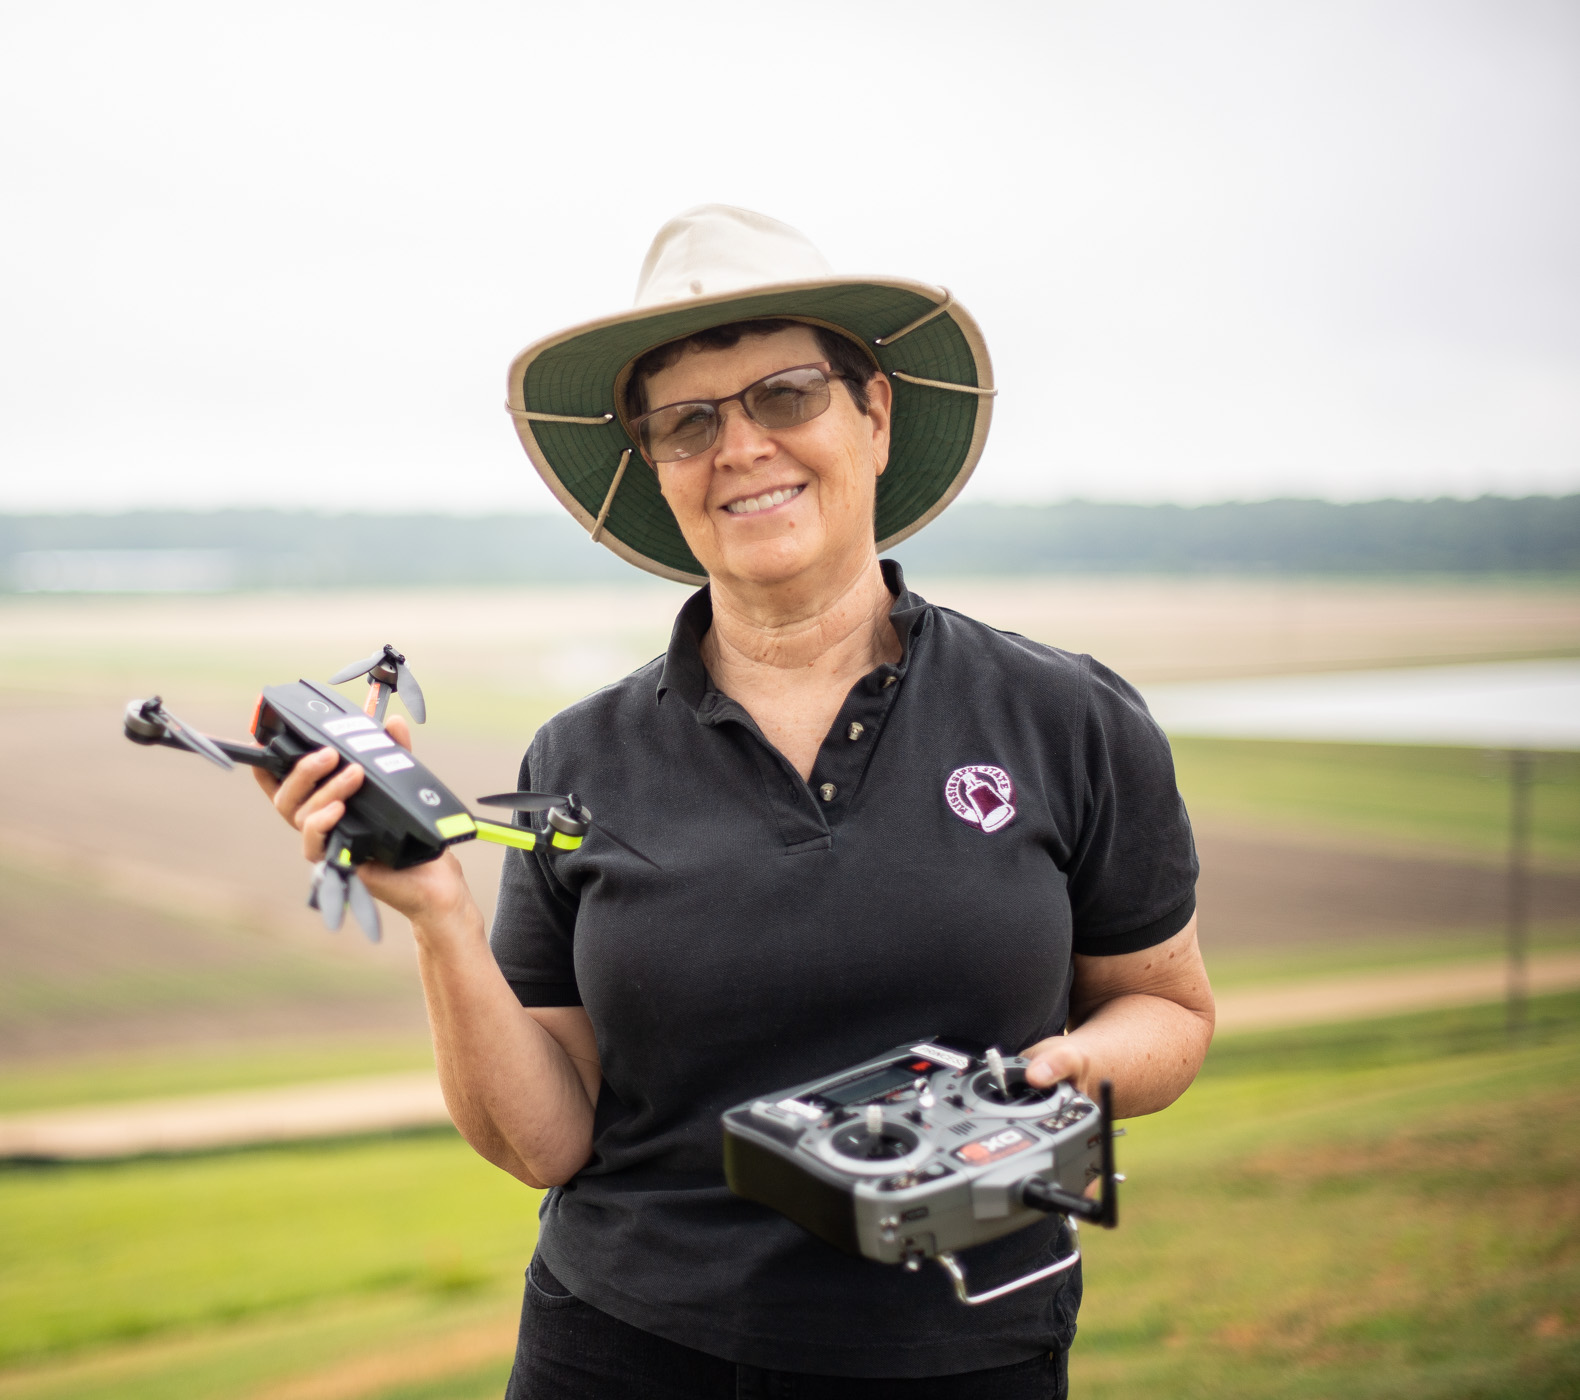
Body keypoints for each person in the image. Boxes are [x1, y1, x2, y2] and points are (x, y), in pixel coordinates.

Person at [259, 206, 1215, 1398]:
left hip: (967, 1346)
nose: (742, 446)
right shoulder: (581, 755)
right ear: (657, 468)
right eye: (689, 420)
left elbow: (1166, 1009)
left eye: (786, 394)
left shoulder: (1063, 716)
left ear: (872, 416)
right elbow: (542, 1137)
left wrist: (1075, 1070)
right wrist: (440, 916)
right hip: (623, 1347)